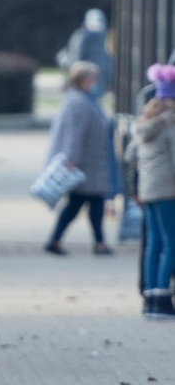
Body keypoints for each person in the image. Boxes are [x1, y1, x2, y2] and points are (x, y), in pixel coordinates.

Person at [44, 61, 115, 256]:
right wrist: (71, 159)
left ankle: (61, 240)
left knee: (84, 204)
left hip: (90, 164)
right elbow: (74, 133)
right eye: (92, 79)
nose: (96, 82)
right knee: (87, 204)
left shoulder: (84, 99)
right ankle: (95, 243)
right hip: (84, 164)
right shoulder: (78, 101)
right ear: (82, 80)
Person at [126, 64, 175, 319]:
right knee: (172, 244)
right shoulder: (170, 124)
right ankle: (163, 298)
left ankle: (149, 299)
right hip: (169, 189)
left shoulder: (143, 122)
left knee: (153, 243)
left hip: (148, 190)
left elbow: (130, 155)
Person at [56, 8, 113, 98]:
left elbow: (109, 60)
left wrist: (110, 81)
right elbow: (76, 61)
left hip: (98, 82)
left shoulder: (105, 37)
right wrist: (70, 81)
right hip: (84, 81)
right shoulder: (81, 37)